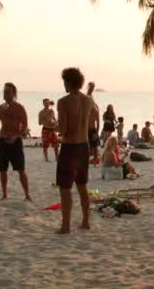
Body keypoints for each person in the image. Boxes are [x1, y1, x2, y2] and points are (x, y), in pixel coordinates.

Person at [56, 68, 95, 234]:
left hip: (70, 146)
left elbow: (63, 130)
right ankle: (86, 221)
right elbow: (90, 123)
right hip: (83, 146)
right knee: (82, 186)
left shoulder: (63, 102)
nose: (63, 84)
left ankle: (66, 225)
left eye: (64, 81)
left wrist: (54, 127)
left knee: (65, 188)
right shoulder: (88, 100)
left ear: (68, 82)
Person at [0, 82, 31, 201]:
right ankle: (4, 194)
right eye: (4, 91)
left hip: (15, 141)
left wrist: (16, 136)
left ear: (14, 93)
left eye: (8, 91)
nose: (5, 93)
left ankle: (27, 194)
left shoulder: (19, 107)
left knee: (20, 169)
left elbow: (24, 125)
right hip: (3, 140)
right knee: (3, 169)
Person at [86, 82, 101, 165]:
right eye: (91, 86)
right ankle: (90, 160)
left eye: (93, 86)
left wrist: (97, 131)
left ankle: (95, 160)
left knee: (94, 146)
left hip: (92, 129)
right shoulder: (88, 96)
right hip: (87, 129)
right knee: (88, 146)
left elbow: (98, 122)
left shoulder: (95, 110)